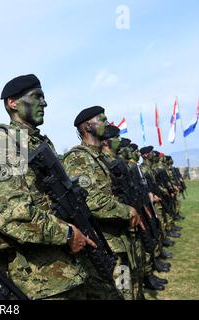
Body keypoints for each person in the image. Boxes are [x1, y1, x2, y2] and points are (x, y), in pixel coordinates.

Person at [0, 74, 96, 299]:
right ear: (12, 103)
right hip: (37, 283)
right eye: (37, 96)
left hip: (66, 272)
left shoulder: (37, 142)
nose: (44, 103)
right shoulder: (3, 142)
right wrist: (68, 234)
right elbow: (9, 213)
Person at [63, 106, 145, 300]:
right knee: (117, 293)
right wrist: (127, 211)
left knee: (126, 291)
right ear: (87, 126)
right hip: (103, 246)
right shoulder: (79, 158)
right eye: (102, 119)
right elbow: (90, 201)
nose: (107, 123)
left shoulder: (98, 158)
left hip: (117, 241)